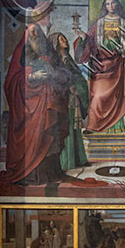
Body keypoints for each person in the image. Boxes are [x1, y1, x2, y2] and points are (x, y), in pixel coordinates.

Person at [0, 23, 70, 186]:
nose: (35, 35)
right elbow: (12, 81)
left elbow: (65, 73)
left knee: (50, 136)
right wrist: (31, 76)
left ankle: (50, 174)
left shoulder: (49, 53)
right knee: (34, 138)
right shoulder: (21, 53)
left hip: (50, 103)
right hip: (30, 107)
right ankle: (32, 176)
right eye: (32, 32)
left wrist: (55, 73)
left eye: (37, 31)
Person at [74, 0, 125, 133]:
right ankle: (95, 126)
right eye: (107, 4)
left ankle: (122, 127)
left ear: (117, 4)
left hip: (119, 64)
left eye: (113, 3)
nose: (110, 6)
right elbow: (90, 41)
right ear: (104, 6)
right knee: (99, 96)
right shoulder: (99, 23)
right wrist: (83, 37)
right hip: (101, 65)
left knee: (121, 96)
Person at [49, 32, 89, 171]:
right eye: (61, 39)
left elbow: (78, 77)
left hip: (73, 99)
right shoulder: (54, 61)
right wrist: (67, 88)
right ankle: (67, 162)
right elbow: (54, 80)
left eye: (64, 38)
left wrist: (78, 87)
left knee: (75, 129)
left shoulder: (68, 59)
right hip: (61, 100)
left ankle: (79, 159)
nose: (65, 40)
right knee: (65, 129)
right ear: (55, 43)